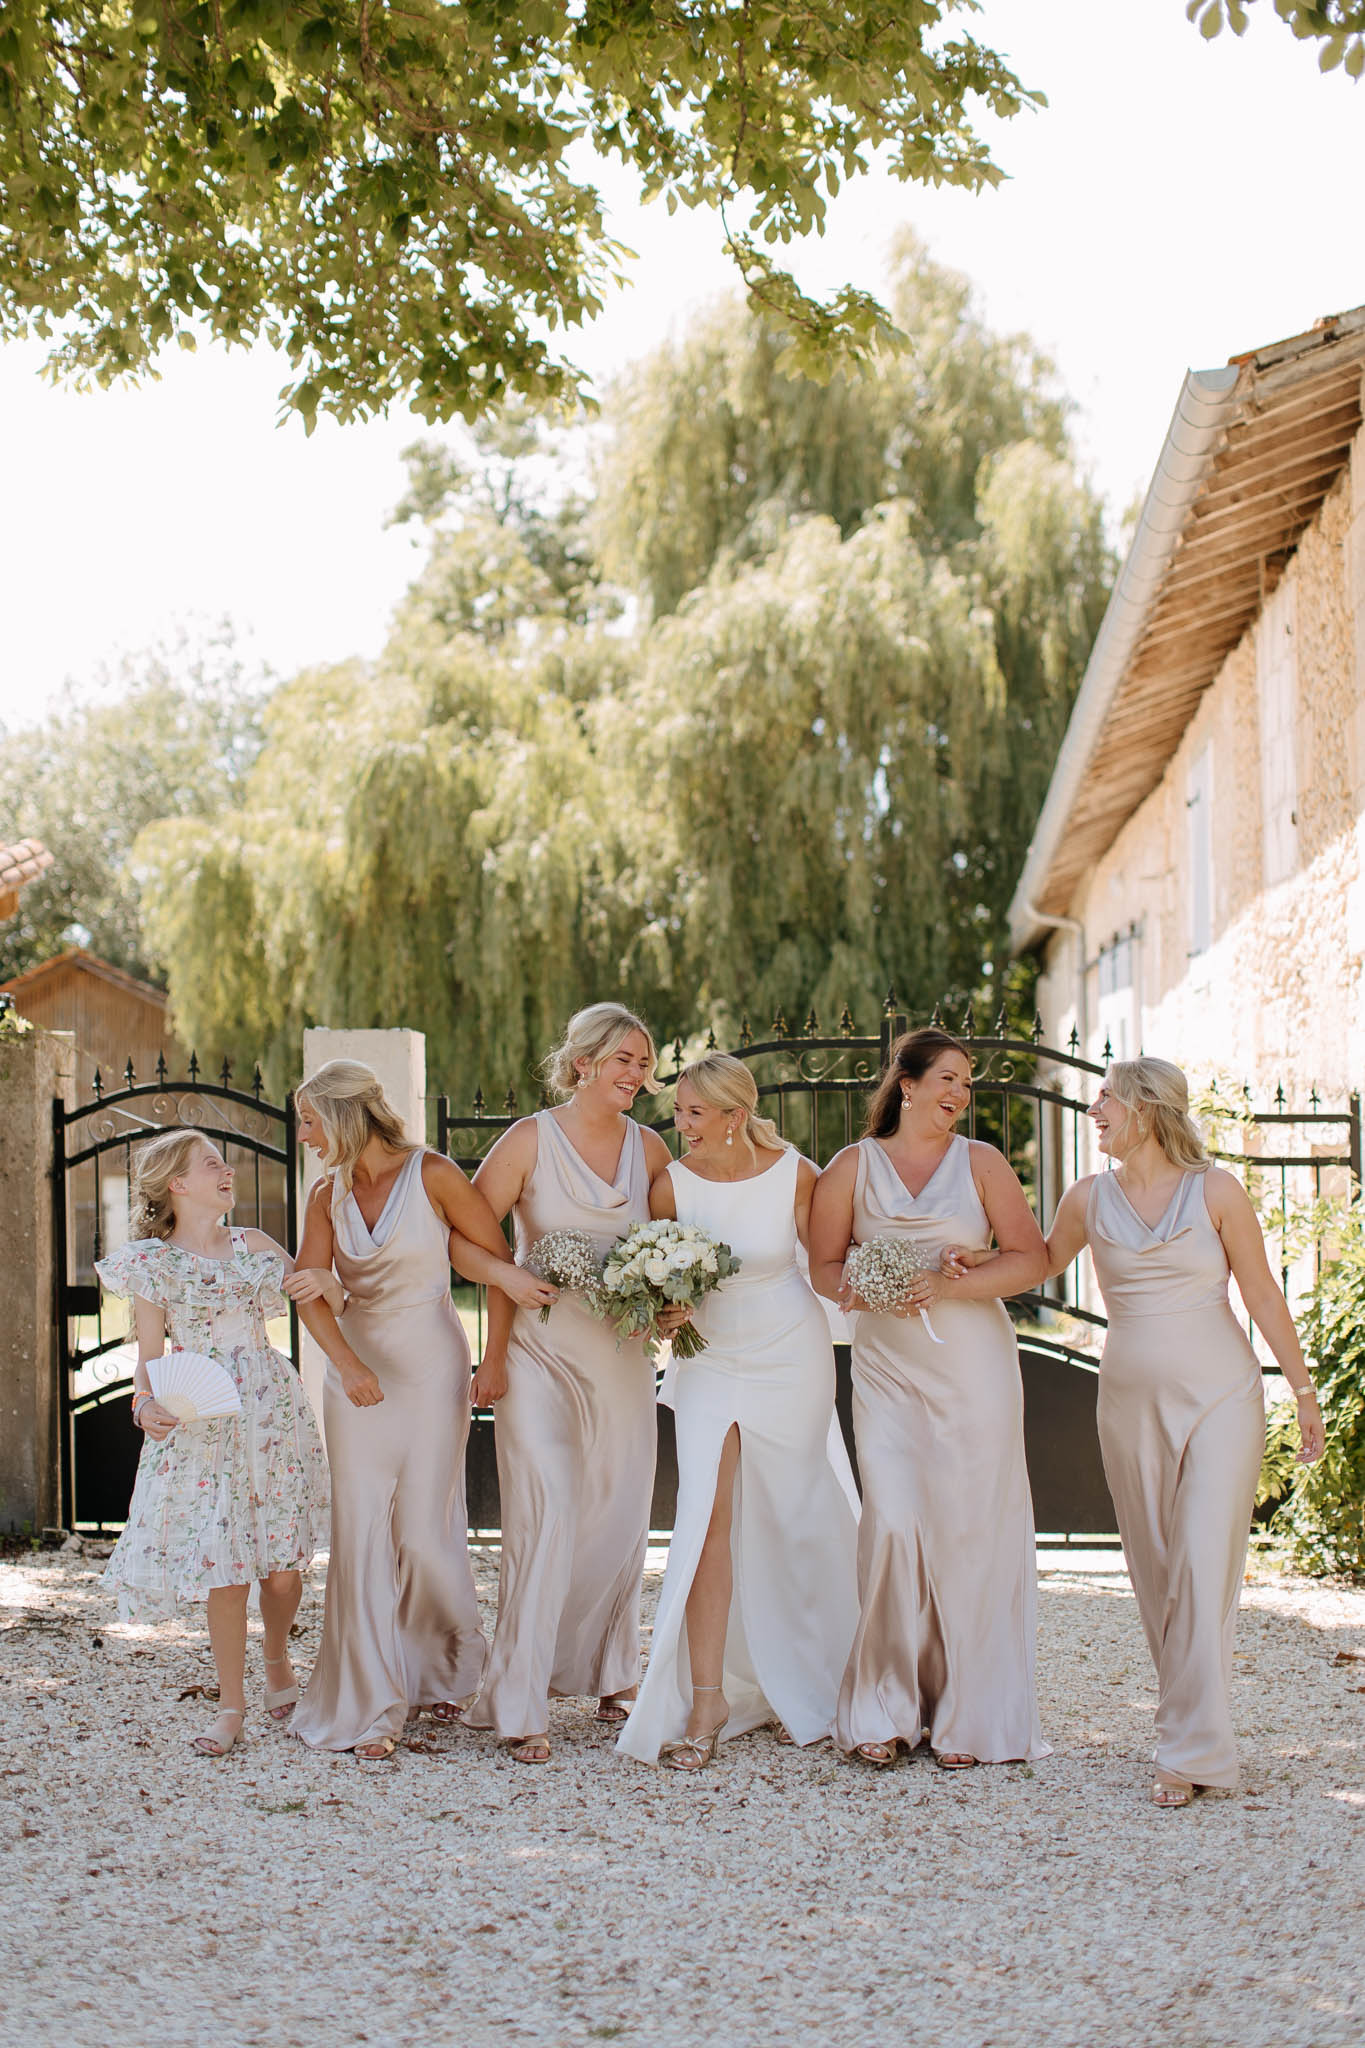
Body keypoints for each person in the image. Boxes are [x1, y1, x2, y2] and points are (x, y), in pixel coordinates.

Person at [1039, 1056, 1324, 1807]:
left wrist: (1300, 1392)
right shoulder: (1085, 1199)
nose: (1093, 1112)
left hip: (1221, 1395)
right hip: (1128, 1403)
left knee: (1202, 1560)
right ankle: (1190, 1728)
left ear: (1145, 1108)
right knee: (1158, 1570)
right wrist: (957, 1260)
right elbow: (1031, 1264)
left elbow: (1258, 1289)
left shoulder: (1216, 1191)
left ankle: (1188, 1748)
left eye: (1104, 1099)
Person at [808, 1026, 1050, 1770]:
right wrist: (859, 1287)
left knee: (969, 1530)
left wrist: (951, 1283)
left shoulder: (981, 1163)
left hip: (972, 1368)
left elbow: (1030, 1260)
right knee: (891, 1522)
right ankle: (883, 1707)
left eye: (967, 1084)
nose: (958, 1094)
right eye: (946, 1078)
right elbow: (821, 1265)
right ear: (905, 1084)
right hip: (887, 1371)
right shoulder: (850, 1166)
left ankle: (968, 1716)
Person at [287, 1059, 540, 1759]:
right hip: (356, 1373)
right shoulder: (323, 1194)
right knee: (362, 1530)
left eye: (309, 1120)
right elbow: (312, 1292)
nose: (302, 1134)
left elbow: (492, 1262)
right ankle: (372, 1702)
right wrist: (346, 1365)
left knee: (425, 1535)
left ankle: (444, 1667)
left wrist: (492, 1359)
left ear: (342, 1116)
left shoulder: (432, 1175)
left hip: (430, 1364)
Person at [618, 1054, 860, 1770]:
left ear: (733, 1115)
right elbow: (649, 1275)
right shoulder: (670, 1184)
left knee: (796, 1509)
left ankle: (814, 1681)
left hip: (790, 1348)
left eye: (694, 1112)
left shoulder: (798, 1174)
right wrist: (662, 1310)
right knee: (704, 1520)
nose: (679, 1124)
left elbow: (822, 1266)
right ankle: (704, 1699)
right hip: (708, 1360)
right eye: (678, 1111)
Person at [456, 1003, 675, 1763]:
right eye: (624, 1060)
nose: (637, 1076)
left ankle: (612, 1673)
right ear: (582, 1062)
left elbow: (671, 1242)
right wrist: (508, 1286)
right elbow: (464, 1237)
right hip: (538, 1356)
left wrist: (672, 1299)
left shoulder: (649, 1149)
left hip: (620, 1358)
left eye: (644, 1064)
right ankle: (518, 1704)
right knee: (546, 1514)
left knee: (615, 1521)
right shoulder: (528, 1141)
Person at [96, 1129, 330, 1757]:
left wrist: (329, 1285)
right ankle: (232, 1704)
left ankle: (277, 1660)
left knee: (281, 1573)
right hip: (201, 1423)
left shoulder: (253, 1246)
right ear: (178, 1183)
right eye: (212, 1165)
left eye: (225, 1163)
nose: (228, 1171)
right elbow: (147, 1357)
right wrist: (144, 1404)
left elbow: (316, 1291)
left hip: (269, 1410)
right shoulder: (153, 1262)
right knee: (225, 1571)